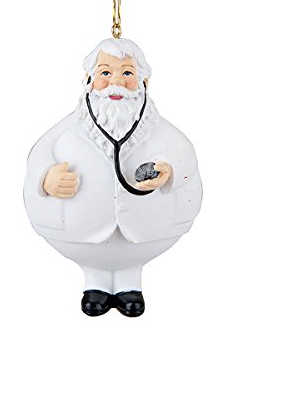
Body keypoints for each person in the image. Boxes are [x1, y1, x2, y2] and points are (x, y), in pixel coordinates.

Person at [24, 38, 202, 317]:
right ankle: (94, 283)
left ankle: (130, 283)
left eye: (127, 72)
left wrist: (170, 171)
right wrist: (46, 177)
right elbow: (38, 156)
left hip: (146, 232)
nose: (116, 81)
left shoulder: (161, 131)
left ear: (143, 83)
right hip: (81, 233)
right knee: (93, 258)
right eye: (105, 72)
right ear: (88, 79)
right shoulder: (65, 130)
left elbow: (184, 154)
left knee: (133, 256)